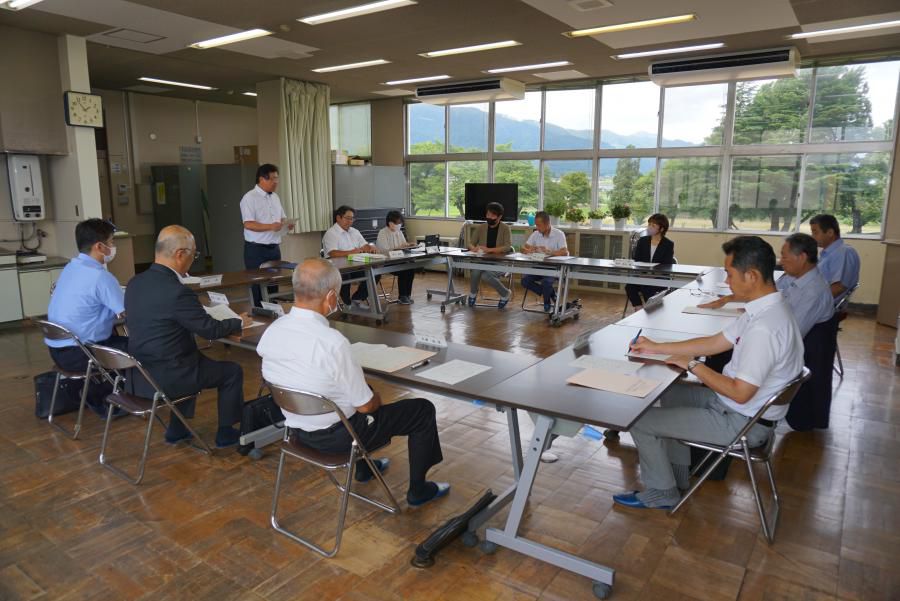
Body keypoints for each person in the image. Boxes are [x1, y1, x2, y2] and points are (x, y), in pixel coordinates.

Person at [614, 236, 803, 509]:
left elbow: (740, 393)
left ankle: (661, 492)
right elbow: (716, 342)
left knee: (639, 421)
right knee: (669, 391)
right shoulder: (766, 309)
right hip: (740, 410)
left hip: (743, 423)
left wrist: (693, 364)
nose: (726, 281)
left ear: (751, 276)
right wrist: (657, 347)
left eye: (729, 273)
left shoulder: (765, 327)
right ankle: (677, 477)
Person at [257, 258, 449, 506]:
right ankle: (419, 490)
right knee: (422, 409)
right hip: (341, 438)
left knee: (347, 396)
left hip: (297, 432)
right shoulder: (331, 342)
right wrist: (374, 396)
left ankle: (364, 468)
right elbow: (367, 407)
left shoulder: (273, 329)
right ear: (330, 298)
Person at [125, 225, 251, 448]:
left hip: (141, 372)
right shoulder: (177, 291)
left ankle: (178, 430)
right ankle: (226, 433)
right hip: (172, 374)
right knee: (231, 371)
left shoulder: (136, 282)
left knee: (193, 358)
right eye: (194, 254)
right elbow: (209, 330)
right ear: (180, 254)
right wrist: (239, 321)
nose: (194, 259)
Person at [699, 233, 833, 337]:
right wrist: (727, 299)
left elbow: (791, 334)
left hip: (797, 354)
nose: (781, 262)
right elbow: (765, 293)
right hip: (772, 334)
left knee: (719, 353)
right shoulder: (793, 278)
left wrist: (758, 316)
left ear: (802, 258)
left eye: (785, 257)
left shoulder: (814, 292)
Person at [45, 218, 128, 373]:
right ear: (99, 246)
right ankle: (129, 393)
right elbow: (127, 312)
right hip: (82, 354)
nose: (113, 246)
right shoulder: (100, 276)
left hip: (58, 351)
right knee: (146, 349)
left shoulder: (71, 267)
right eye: (111, 242)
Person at [241, 163, 294, 307]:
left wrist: (286, 224)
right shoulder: (249, 198)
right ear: (261, 179)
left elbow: (281, 218)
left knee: (273, 282)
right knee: (257, 284)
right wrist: (271, 226)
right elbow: (248, 224)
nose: (276, 182)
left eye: (277, 178)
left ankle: (273, 311)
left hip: (274, 247)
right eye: (272, 179)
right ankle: (260, 314)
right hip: (256, 249)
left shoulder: (275, 197)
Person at [322, 205, 377, 308]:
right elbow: (332, 253)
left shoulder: (354, 231)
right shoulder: (331, 233)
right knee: (345, 275)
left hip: (355, 265)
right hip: (337, 268)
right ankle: (347, 304)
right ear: (338, 218)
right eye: (347, 218)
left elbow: (364, 244)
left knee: (374, 273)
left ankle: (357, 298)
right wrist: (351, 252)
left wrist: (370, 247)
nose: (350, 221)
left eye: (352, 218)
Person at [624, 213, 675, 310]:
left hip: (660, 276)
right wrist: (643, 274)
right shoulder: (642, 241)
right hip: (642, 275)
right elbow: (637, 260)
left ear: (661, 229)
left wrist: (652, 275)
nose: (649, 228)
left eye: (653, 226)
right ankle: (638, 309)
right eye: (649, 224)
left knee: (646, 286)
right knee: (629, 286)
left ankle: (651, 310)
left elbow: (666, 265)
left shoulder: (668, 244)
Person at [467, 201, 513, 309]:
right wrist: (473, 248)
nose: (489, 217)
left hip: (501, 262)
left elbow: (507, 247)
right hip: (482, 260)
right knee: (475, 270)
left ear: (499, 217)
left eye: (493, 215)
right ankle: (473, 294)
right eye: (488, 214)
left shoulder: (505, 228)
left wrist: (489, 250)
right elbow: (470, 243)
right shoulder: (481, 227)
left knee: (486, 275)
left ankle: (505, 294)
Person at [521, 211, 568, 312]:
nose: (537, 227)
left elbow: (565, 252)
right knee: (525, 280)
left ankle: (547, 301)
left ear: (547, 224)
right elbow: (523, 248)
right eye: (536, 225)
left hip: (553, 268)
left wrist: (549, 252)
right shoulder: (535, 234)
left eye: (539, 225)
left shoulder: (559, 234)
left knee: (546, 282)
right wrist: (530, 250)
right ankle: (551, 294)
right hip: (538, 266)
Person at [809, 214, 860, 302]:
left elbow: (839, 287)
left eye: (815, 232)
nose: (812, 236)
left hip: (821, 306)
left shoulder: (843, 253)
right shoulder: (828, 253)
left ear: (830, 233)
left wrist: (811, 302)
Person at [375, 210, 418, 305]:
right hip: (386, 262)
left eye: (400, 223)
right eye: (397, 223)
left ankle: (407, 295)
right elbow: (384, 250)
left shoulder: (399, 232)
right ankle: (402, 296)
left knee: (411, 267)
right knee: (404, 269)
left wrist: (409, 245)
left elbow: (403, 244)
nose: (399, 225)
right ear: (390, 223)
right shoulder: (383, 233)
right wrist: (398, 248)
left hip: (399, 259)